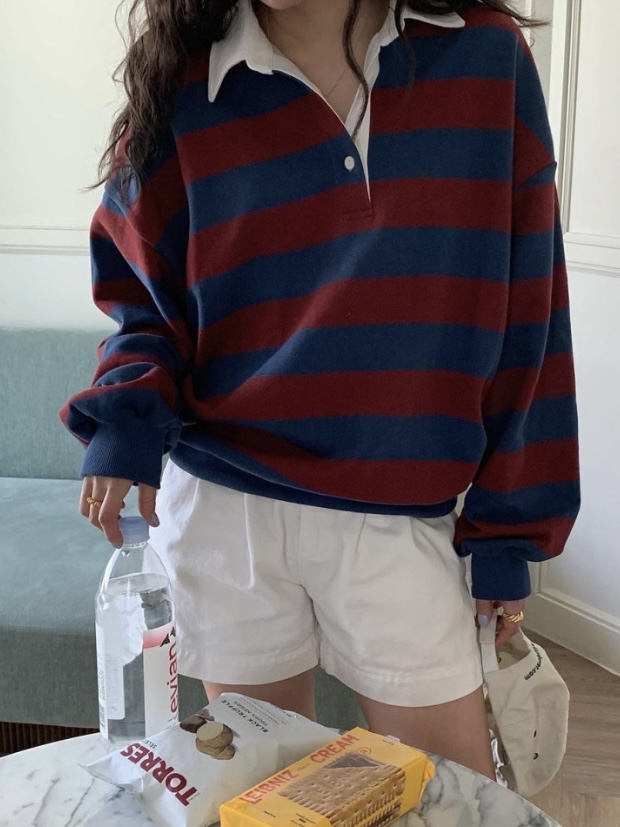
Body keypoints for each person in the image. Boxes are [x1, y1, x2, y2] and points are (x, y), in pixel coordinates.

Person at [62, 0, 580, 782]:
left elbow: (532, 317)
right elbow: (146, 305)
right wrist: (124, 424)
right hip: (226, 509)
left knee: (456, 801)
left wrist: (510, 534)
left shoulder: (486, 59)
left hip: (400, 513)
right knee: (266, 801)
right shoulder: (186, 86)